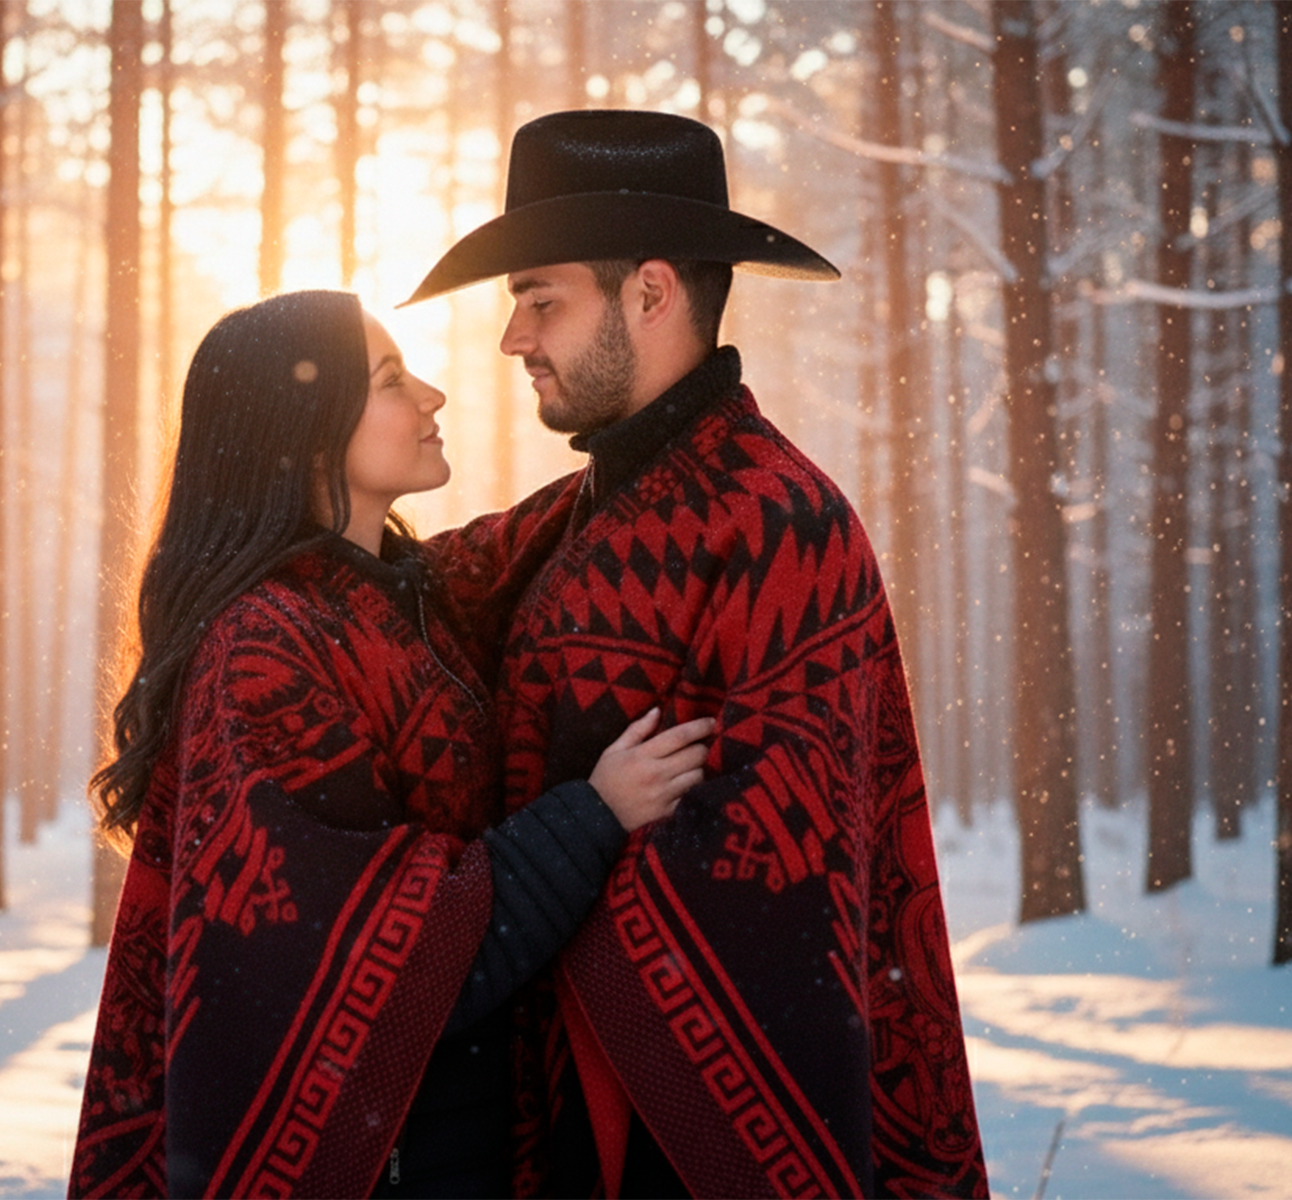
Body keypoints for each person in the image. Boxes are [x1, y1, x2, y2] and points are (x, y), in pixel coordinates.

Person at [407, 111, 991, 1198]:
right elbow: (390, 605)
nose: (513, 338)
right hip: (553, 1114)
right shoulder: (572, 519)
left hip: (685, 1138)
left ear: (652, 292)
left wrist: (536, 893)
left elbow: (778, 898)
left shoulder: (780, 525)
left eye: (541, 298)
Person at [68, 289, 714, 1199]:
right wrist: (596, 816)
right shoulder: (263, 652)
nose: (433, 396)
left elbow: (572, 519)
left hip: (471, 1144)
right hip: (386, 1167)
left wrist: (677, 411)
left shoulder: (415, 599)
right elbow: (392, 960)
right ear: (302, 432)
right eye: (389, 380)